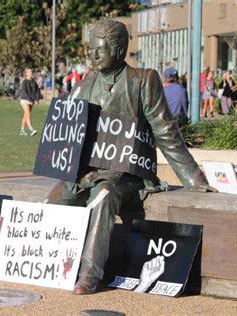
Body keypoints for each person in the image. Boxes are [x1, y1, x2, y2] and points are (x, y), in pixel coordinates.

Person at [48, 19, 212, 295]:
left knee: (103, 193)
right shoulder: (82, 87)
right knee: (56, 196)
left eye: (101, 49)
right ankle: (51, 264)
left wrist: (192, 177)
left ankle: (90, 273)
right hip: (88, 171)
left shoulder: (143, 81)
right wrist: (72, 170)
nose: (94, 56)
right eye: (91, 50)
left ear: (121, 49)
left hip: (127, 174)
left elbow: (165, 131)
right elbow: (69, 136)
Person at [18, 68, 40, 136]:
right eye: (29, 72)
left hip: (31, 101)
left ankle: (22, 130)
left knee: (26, 115)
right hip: (25, 100)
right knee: (28, 113)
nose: (31, 73)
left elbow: (37, 91)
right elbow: (25, 92)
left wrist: (37, 99)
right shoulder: (24, 82)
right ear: (26, 73)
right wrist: (30, 99)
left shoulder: (34, 81)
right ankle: (31, 129)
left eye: (31, 71)